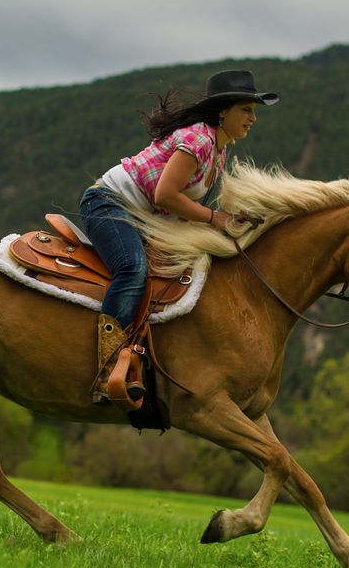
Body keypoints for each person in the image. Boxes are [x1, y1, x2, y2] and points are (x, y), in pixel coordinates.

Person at [79, 69, 280, 402]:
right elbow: (166, 195)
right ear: (223, 112)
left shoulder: (219, 148)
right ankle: (106, 369)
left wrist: (226, 222)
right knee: (132, 270)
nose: (253, 118)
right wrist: (215, 219)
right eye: (246, 110)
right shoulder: (199, 139)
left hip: (143, 216)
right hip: (108, 203)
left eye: (253, 111)